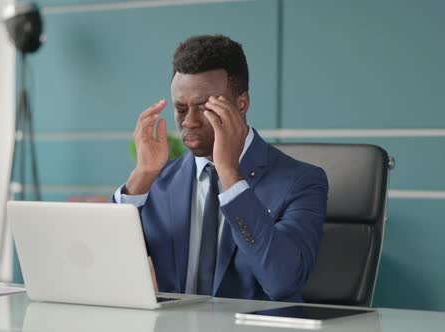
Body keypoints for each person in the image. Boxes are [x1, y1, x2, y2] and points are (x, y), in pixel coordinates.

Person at [113, 35, 328, 302]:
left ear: (241, 104)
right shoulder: (156, 181)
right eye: (181, 109)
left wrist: (229, 174)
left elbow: (282, 282)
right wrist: (142, 176)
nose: (189, 122)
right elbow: (104, 270)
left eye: (204, 108)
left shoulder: (301, 181)